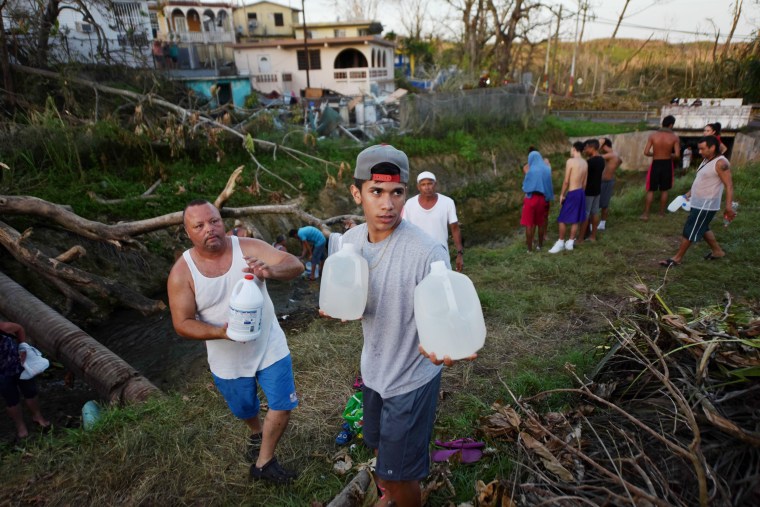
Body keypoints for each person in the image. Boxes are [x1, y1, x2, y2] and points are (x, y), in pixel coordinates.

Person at [322, 144, 476, 507]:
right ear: (357, 193)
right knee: (376, 442)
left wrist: (446, 345)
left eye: (396, 193)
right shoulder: (350, 242)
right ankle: (388, 495)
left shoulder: (428, 252)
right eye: (376, 192)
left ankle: (401, 496)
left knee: (401, 473)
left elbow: (447, 314)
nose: (387, 204)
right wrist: (339, 303)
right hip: (373, 371)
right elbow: (355, 300)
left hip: (411, 379)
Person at [167, 200, 303, 483]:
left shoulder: (248, 247)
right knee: (244, 407)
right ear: (187, 232)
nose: (210, 229)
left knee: (282, 403)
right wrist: (221, 332)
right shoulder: (182, 272)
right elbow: (182, 323)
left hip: (269, 345)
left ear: (222, 221)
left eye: (214, 221)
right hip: (226, 356)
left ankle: (264, 462)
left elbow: (295, 264)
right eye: (199, 225)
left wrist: (271, 271)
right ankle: (255, 432)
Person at [659, 136, 735, 267]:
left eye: (702, 149)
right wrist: (687, 195)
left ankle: (677, 258)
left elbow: (729, 185)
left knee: (691, 228)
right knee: (702, 227)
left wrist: (728, 207)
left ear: (712, 147)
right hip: (698, 201)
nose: (699, 152)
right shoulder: (706, 160)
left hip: (707, 203)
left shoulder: (721, 163)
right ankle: (717, 251)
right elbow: (700, 181)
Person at [402, 171, 464, 271]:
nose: (427, 187)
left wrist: (460, 254)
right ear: (418, 187)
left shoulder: (447, 202)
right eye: (423, 184)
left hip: (440, 254)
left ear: (435, 185)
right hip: (416, 256)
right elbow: (404, 230)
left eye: (430, 183)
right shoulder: (410, 204)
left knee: (443, 283)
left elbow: (455, 229)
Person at [1, 321, 50, 440]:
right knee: (11, 399)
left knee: (30, 391)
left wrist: (22, 346)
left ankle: (37, 416)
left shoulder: (2, 328)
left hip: (17, 363)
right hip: (1, 373)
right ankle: (20, 426)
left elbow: (19, 328)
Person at [548, 142, 588, 254]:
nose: (570, 150)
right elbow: (585, 182)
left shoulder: (570, 161)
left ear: (574, 149)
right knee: (575, 219)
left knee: (562, 219)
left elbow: (566, 181)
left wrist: (562, 194)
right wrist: (580, 194)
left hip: (573, 192)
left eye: (571, 148)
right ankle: (570, 243)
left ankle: (560, 242)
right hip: (580, 192)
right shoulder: (585, 163)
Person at [641, 115, 680, 221]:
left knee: (651, 190)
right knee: (664, 190)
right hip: (667, 164)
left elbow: (646, 152)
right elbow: (677, 155)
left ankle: (645, 214)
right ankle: (661, 213)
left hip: (656, 163)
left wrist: (655, 154)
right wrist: (668, 155)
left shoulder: (653, 135)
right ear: (671, 125)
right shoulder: (674, 137)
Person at [520, 150, 554, 252]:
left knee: (529, 224)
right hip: (542, 199)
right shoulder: (546, 169)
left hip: (531, 198)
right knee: (540, 223)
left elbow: (526, 187)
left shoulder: (530, 171)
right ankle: (540, 246)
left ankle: (529, 249)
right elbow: (549, 186)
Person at [577, 139, 604, 245]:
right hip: (597, 189)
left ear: (592, 148)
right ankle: (592, 236)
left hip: (588, 191)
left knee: (585, 214)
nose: (585, 150)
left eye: (586, 148)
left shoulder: (590, 162)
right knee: (595, 212)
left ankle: (580, 239)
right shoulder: (601, 159)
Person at [598, 138, 622, 231]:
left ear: (605, 146)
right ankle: (602, 223)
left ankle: (600, 224)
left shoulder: (610, 154)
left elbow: (596, 157)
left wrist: (598, 145)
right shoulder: (615, 154)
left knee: (601, 203)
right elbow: (620, 161)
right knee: (604, 203)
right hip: (607, 180)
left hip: (606, 182)